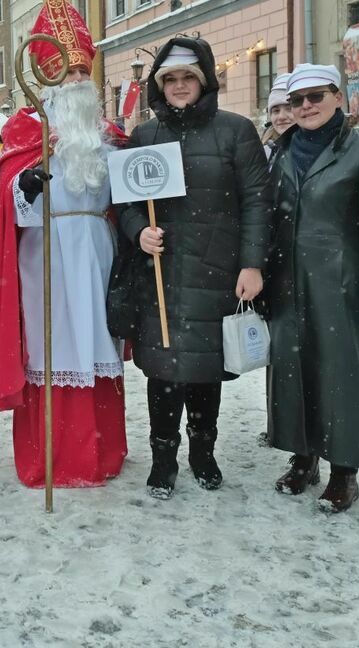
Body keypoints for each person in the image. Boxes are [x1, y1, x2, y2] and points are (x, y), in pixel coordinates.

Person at [120, 38, 271, 500]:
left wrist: (252, 263)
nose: (180, 86)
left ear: (203, 80)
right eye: (170, 80)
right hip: (161, 278)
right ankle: (163, 458)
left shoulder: (236, 131)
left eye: (188, 78)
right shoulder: (144, 137)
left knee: (207, 371)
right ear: (159, 87)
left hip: (216, 269)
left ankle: (203, 452)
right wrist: (137, 233)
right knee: (164, 372)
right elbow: (124, 203)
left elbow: (257, 203)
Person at [0, 0, 129, 487]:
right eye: (64, 73)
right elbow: (10, 203)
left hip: (96, 249)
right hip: (44, 255)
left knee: (98, 341)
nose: (75, 82)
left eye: (81, 72)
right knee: (53, 348)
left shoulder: (109, 134)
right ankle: (55, 455)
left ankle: (101, 452)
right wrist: (25, 187)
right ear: (45, 78)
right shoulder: (25, 129)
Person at [266, 64, 359, 513]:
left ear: (338, 97)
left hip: (341, 285)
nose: (306, 107)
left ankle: (344, 472)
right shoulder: (280, 152)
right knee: (292, 372)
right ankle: (304, 459)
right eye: (297, 100)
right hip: (286, 282)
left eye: (316, 96)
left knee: (341, 377)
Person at [261, 74, 293, 170]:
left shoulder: (316, 149)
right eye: (276, 111)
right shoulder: (264, 153)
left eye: (289, 109)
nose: (281, 117)